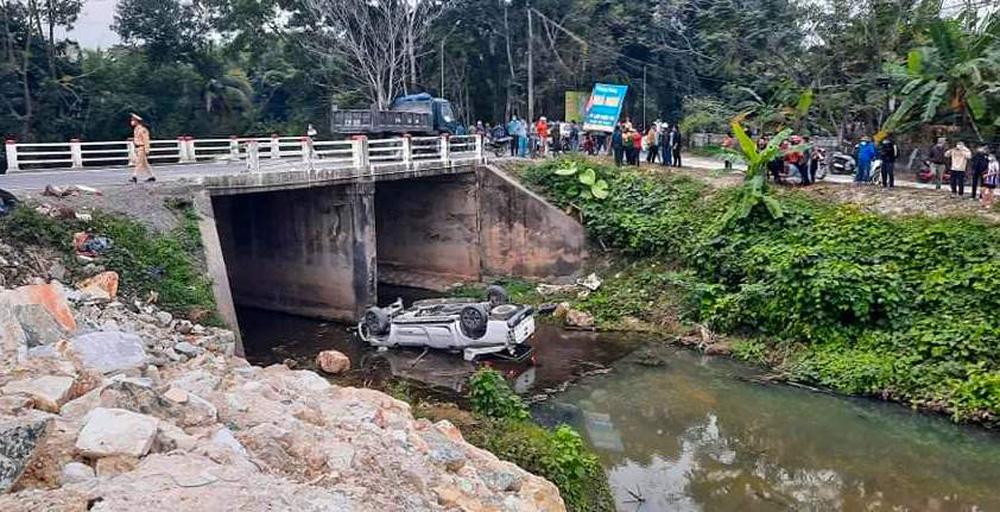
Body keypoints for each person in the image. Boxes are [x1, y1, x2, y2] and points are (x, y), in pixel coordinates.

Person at [129, 113, 155, 183]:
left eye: (133, 120)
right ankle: (152, 176)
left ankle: (134, 176)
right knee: (145, 164)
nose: (131, 121)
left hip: (142, 148)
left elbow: (146, 140)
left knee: (139, 163)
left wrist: (147, 150)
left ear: (136, 121)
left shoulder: (143, 129)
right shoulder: (136, 129)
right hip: (138, 147)